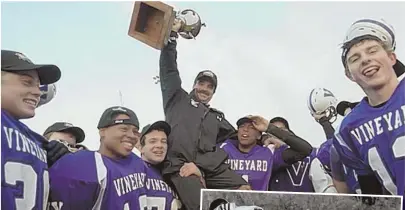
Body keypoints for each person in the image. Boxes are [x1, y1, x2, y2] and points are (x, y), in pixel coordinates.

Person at [159, 20, 249, 209]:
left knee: (245, 189)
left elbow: (238, 137)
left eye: (210, 87)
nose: (205, 89)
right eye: (202, 83)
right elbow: (168, 70)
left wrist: (265, 139)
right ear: (194, 85)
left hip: (211, 168)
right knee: (203, 204)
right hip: (180, 166)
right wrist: (172, 37)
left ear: (213, 93)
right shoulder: (177, 99)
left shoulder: (216, 116)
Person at [332, 18, 404, 201]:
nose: (365, 59)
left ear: (391, 58)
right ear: (349, 74)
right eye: (355, 58)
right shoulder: (348, 130)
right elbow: (371, 193)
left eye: (372, 51)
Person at [1, 49, 69, 210]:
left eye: (38, 85)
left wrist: (64, 165)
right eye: (26, 82)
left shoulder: (32, 139)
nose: (38, 92)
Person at [48, 106, 147, 210]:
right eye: (124, 129)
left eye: (135, 131)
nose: (132, 135)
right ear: (102, 131)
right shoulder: (85, 166)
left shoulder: (138, 163)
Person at [219, 116, 312, 191]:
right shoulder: (224, 149)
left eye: (251, 127)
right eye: (242, 126)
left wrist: (269, 128)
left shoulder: (268, 153)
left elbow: (305, 149)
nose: (245, 130)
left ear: (259, 135)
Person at [267, 117, 318, 192]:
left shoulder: (311, 152)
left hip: (308, 200)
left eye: (280, 130)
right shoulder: (268, 155)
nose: (277, 134)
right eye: (273, 132)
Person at [140, 121, 183, 210]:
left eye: (163, 141)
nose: (159, 145)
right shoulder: (134, 170)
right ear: (141, 148)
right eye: (153, 141)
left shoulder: (174, 172)